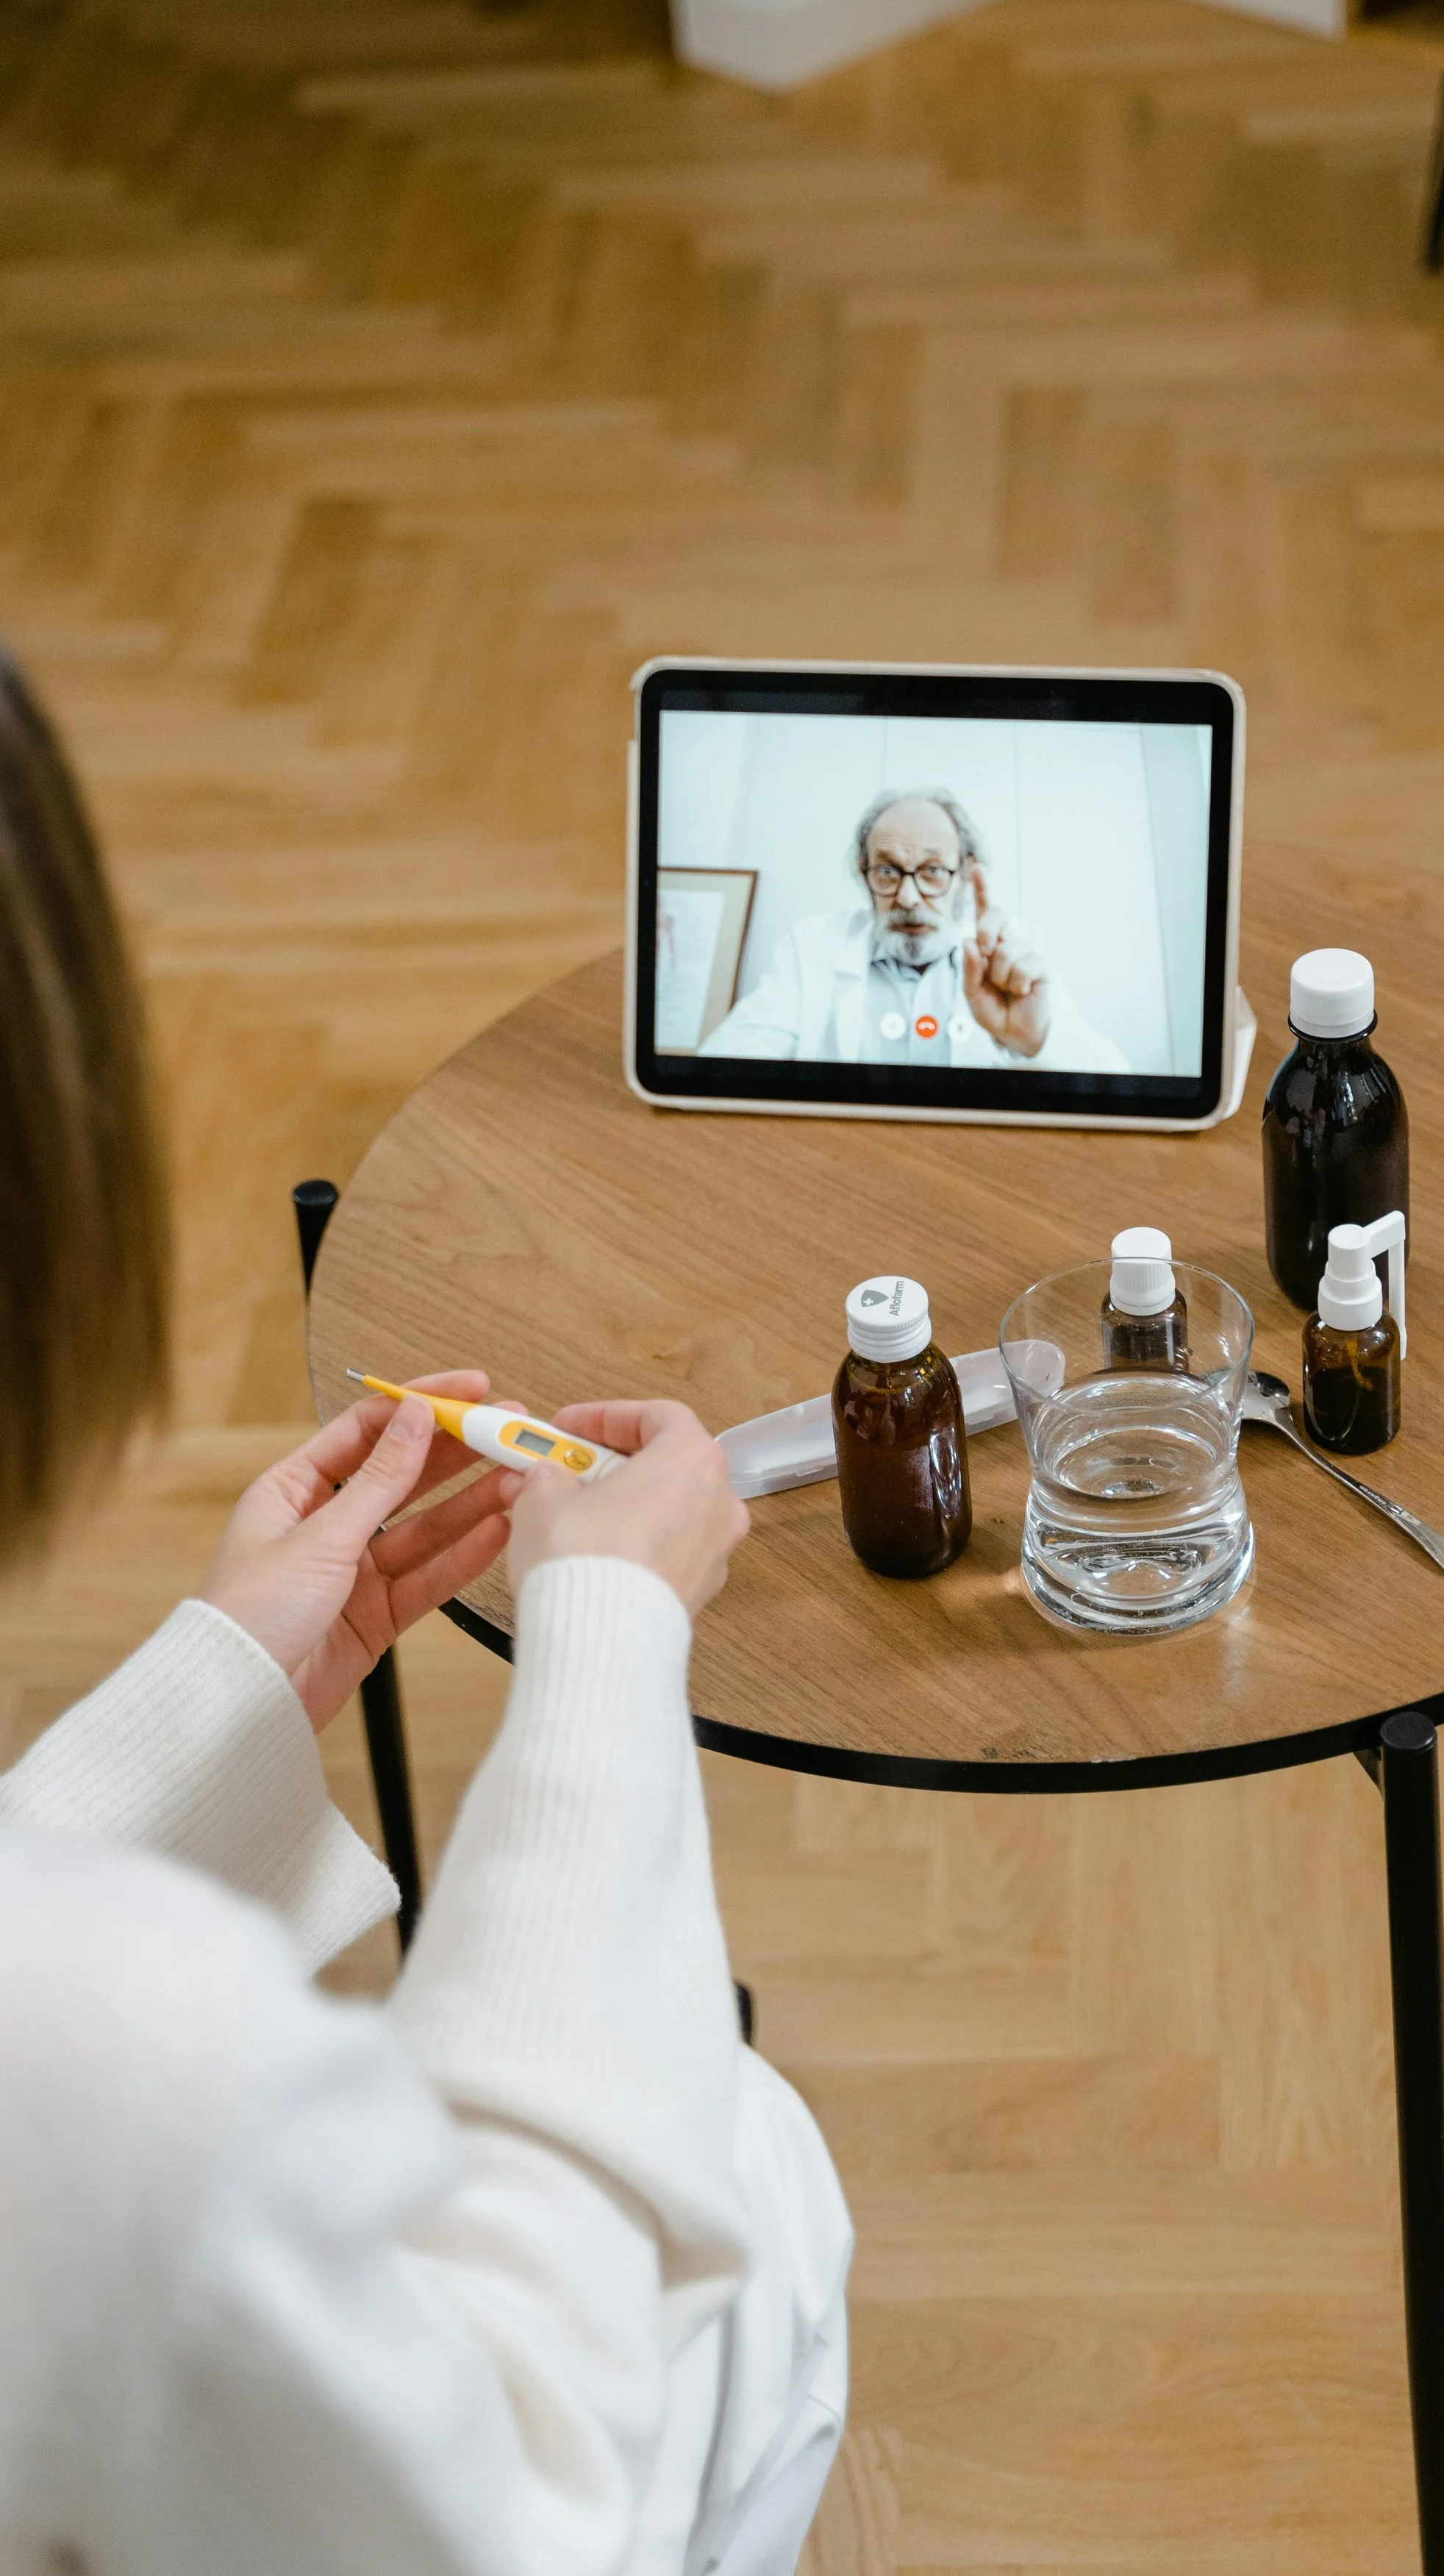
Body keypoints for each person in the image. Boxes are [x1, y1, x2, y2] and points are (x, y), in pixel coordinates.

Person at [0, 646, 851, 2576]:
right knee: (751, 2145)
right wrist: (604, 1655)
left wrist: (215, 1693)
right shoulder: (135, 2065)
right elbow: (504, 2490)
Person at [699, 785, 1127, 1070]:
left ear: (965, 876)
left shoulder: (1018, 952)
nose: (907, 898)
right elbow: (722, 1067)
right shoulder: (811, 945)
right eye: (887, 872)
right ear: (864, 874)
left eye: (932, 871)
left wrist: (1037, 1041)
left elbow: (1117, 1082)